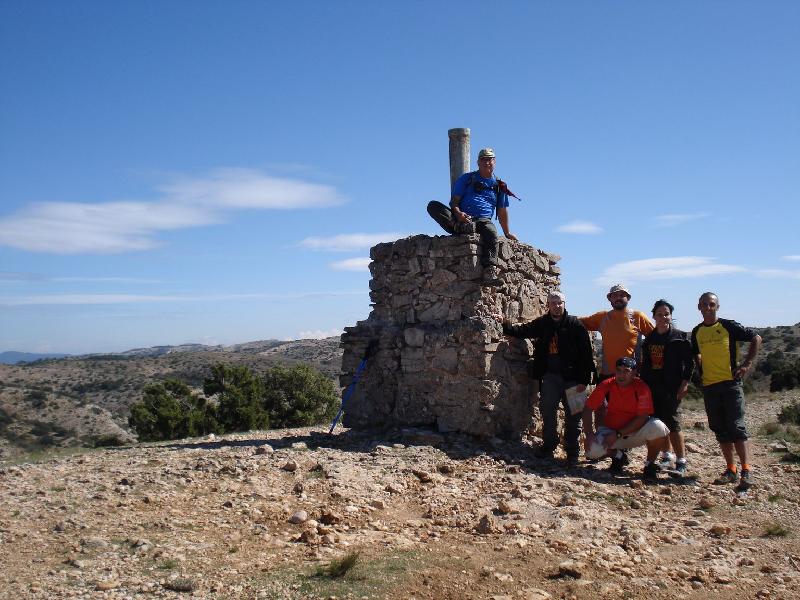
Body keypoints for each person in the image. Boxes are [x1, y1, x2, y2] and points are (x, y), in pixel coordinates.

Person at [499, 291, 595, 467]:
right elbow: (523, 330)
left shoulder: (576, 325)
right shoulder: (543, 323)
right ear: (548, 305)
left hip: (574, 379)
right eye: (553, 303)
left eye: (560, 303)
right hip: (551, 377)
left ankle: (572, 452)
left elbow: (586, 355)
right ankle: (549, 446)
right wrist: (504, 323)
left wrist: (584, 380)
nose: (557, 306)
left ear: (565, 304)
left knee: (574, 416)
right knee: (548, 411)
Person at [691, 292, 761, 491]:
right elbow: (696, 353)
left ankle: (746, 470)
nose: (707, 308)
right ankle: (731, 469)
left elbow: (756, 337)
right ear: (699, 307)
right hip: (710, 386)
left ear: (717, 306)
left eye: (711, 304)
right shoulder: (697, 331)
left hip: (730, 384)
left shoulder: (728, 326)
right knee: (719, 428)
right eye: (704, 304)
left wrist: (747, 364)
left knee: (736, 426)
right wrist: (701, 372)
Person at [427, 147, 518, 284]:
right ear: (478, 162)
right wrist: (458, 214)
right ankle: (460, 227)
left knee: (491, 231)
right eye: (483, 159)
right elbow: (454, 202)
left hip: (482, 221)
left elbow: (502, 211)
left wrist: (507, 232)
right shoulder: (467, 179)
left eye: (490, 159)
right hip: (461, 219)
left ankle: (489, 272)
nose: (487, 162)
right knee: (433, 206)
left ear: (495, 161)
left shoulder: (499, 185)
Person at [582, 357, 670, 480]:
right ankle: (619, 456)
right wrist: (589, 434)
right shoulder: (606, 385)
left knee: (658, 427)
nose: (621, 375)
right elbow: (587, 409)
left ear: (634, 373)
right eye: (619, 370)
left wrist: (617, 434)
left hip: (632, 432)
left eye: (626, 371)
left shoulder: (641, 388)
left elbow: (643, 417)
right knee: (591, 451)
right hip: (610, 431)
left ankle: (650, 465)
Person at [640, 299, 695, 475]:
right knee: (657, 424)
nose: (663, 317)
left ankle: (681, 462)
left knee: (673, 423)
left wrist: (685, 383)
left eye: (666, 314)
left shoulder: (679, 337)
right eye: (659, 314)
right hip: (653, 387)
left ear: (671, 316)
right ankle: (666, 456)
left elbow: (690, 363)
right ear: (654, 316)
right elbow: (646, 363)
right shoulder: (650, 339)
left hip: (672, 387)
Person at [580, 284, 655, 380]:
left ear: (628, 298)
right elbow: (578, 322)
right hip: (607, 374)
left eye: (622, 295)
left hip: (631, 374)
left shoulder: (637, 316)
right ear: (610, 299)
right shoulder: (602, 317)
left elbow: (656, 337)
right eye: (615, 295)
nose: (618, 298)